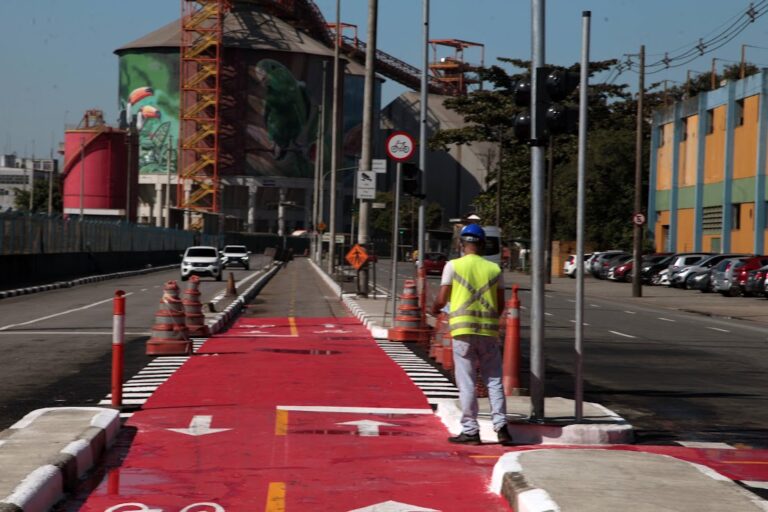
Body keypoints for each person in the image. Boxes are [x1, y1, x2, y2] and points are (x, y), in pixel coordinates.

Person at [430, 224, 516, 446]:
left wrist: (434, 309)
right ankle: (502, 428)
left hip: (462, 332)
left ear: (462, 244)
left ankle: (470, 430)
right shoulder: (494, 270)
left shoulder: (453, 266)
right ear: (483, 245)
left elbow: (441, 299)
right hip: (487, 332)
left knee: (467, 381)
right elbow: (499, 306)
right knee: (494, 379)